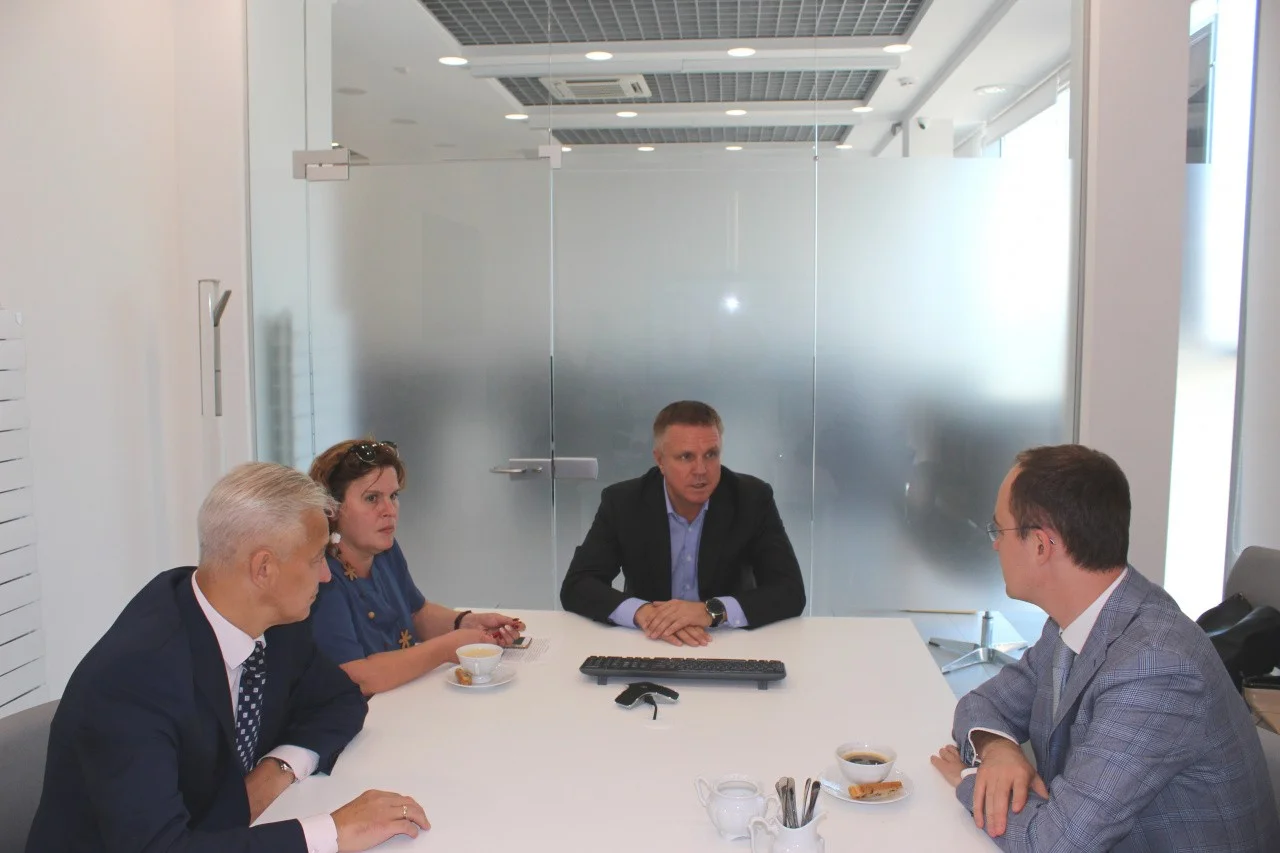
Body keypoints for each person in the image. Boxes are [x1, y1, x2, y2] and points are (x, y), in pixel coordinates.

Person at [26, 462, 430, 853]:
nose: (326, 575)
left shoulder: (274, 620)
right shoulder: (134, 678)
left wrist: (277, 770)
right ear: (264, 569)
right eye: (315, 558)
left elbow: (341, 699)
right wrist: (333, 833)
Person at [930, 445, 1279, 852]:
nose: (994, 545)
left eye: (999, 530)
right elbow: (982, 703)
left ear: (1041, 545)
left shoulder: (1156, 665)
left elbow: (1054, 844)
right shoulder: (1077, 619)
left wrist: (971, 781)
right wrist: (998, 751)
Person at [560, 400, 805, 646]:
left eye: (711, 454)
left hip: (727, 639)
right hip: (649, 640)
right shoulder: (624, 502)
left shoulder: (751, 498)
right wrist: (643, 613)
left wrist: (710, 611)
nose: (701, 470)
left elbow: (790, 590)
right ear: (660, 460)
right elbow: (578, 585)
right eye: (686, 457)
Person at [308, 439, 525, 695]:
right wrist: (447, 648)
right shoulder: (321, 577)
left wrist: (467, 623)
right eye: (372, 498)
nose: (389, 510)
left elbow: (416, 613)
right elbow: (358, 677)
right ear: (332, 508)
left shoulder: (385, 551)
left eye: (393, 496)